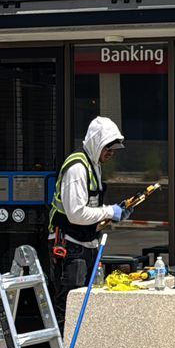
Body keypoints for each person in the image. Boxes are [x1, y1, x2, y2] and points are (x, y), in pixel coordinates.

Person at [48, 116, 127, 321]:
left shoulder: (94, 165)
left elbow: (90, 209)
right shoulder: (77, 167)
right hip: (69, 245)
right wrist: (109, 211)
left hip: (85, 243)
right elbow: (76, 214)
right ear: (96, 142)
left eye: (114, 150)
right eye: (108, 148)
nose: (110, 153)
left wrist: (114, 214)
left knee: (83, 306)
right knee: (69, 306)